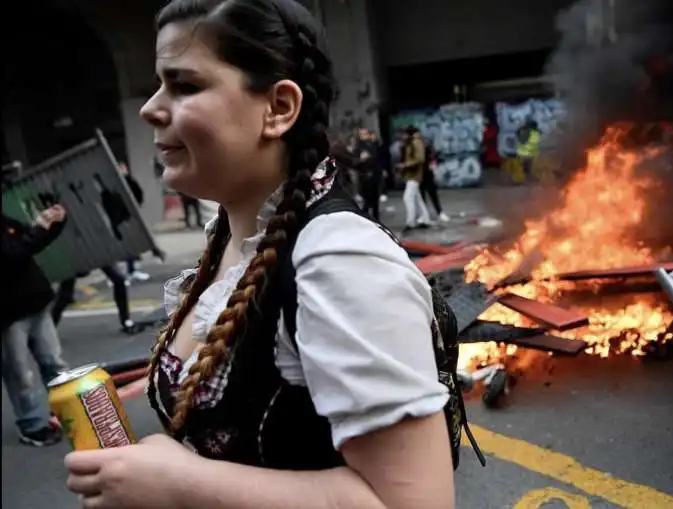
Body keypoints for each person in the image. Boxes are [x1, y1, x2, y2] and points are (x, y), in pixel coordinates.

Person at [65, 1, 456, 508]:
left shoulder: (339, 262)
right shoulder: (231, 233)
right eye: (159, 84)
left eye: (184, 85)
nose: (149, 108)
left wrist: (182, 486)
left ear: (278, 109)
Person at [1, 206, 69, 446]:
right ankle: (31, 425)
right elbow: (14, 253)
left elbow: (31, 242)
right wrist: (41, 227)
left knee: (54, 363)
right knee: (19, 374)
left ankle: (66, 410)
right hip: (8, 315)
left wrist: (53, 224)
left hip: (36, 303)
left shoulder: (5, 220)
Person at [396, 127, 432, 232]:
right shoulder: (409, 143)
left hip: (414, 174)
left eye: (404, 134)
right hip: (411, 174)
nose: (402, 137)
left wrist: (405, 165)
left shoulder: (416, 142)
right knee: (417, 198)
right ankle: (425, 219)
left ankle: (410, 222)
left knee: (408, 197)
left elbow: (420, 159)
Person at [419, 137, 449, 223]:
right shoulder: (422, 147)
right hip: (422, 175)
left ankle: (439, 212)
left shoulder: (426, 148)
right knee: (423, 196)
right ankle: (426, 214)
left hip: (427, 175)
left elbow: (433, 159)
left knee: (432, 195)